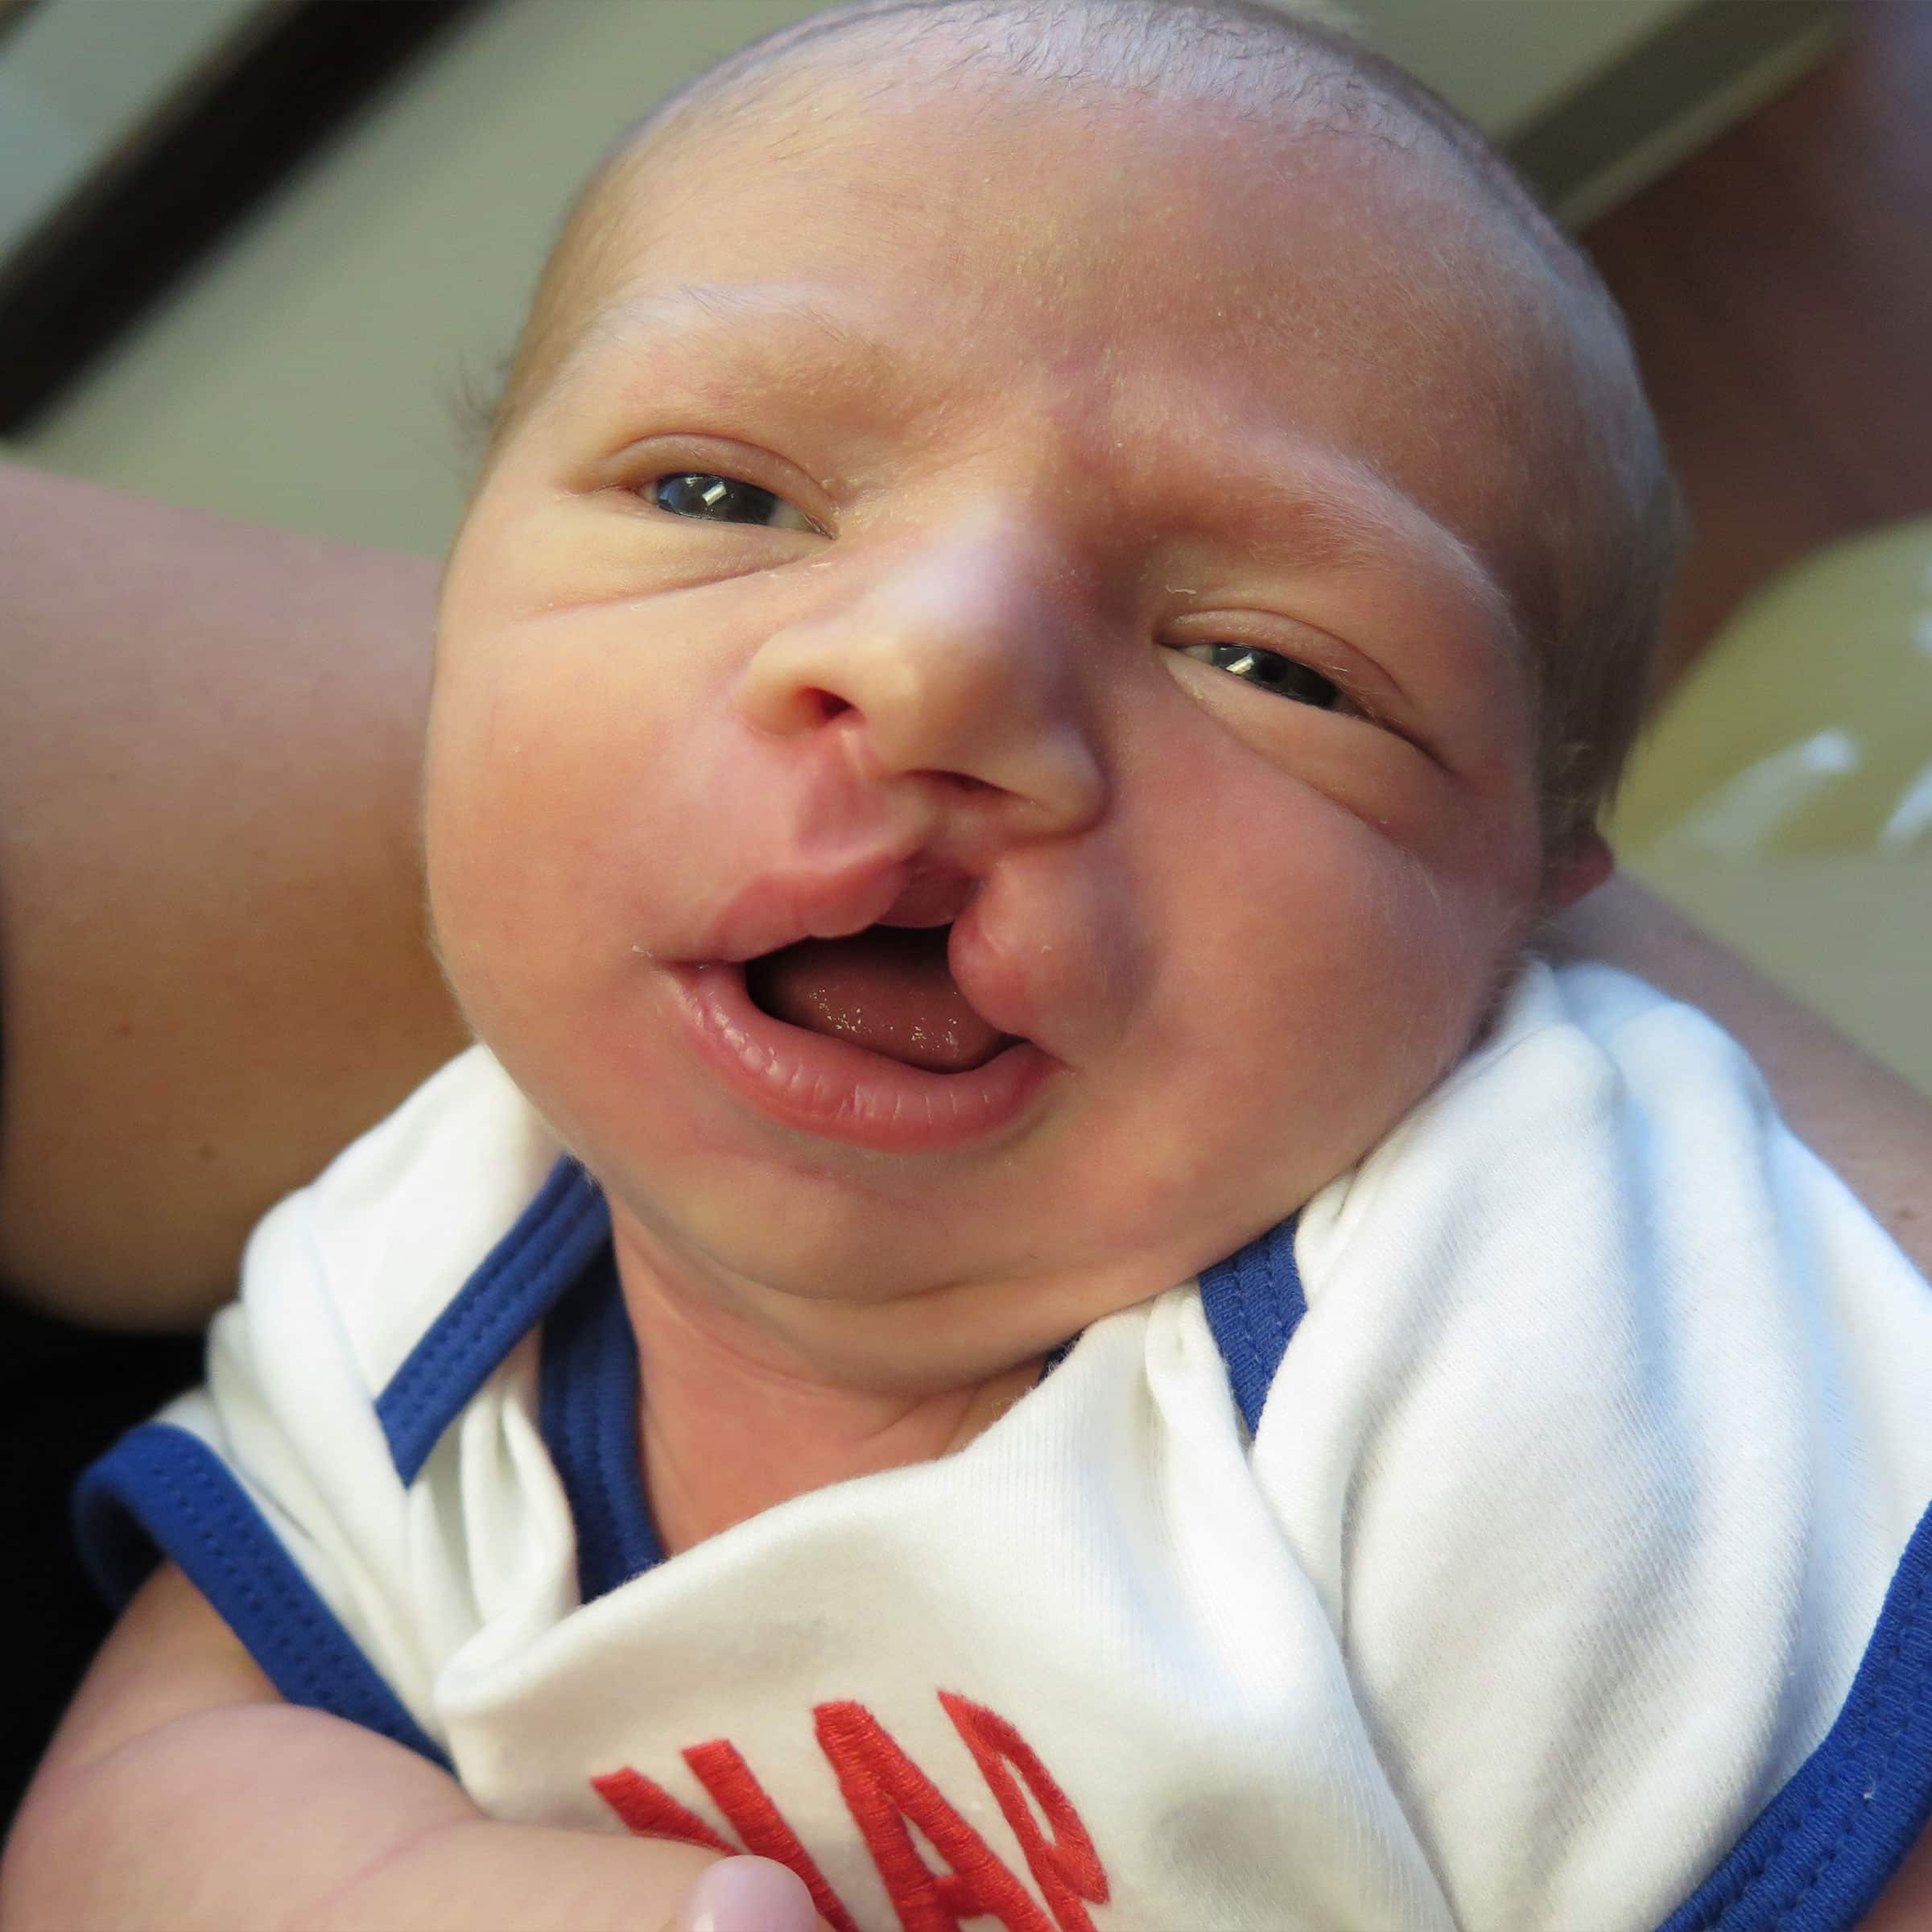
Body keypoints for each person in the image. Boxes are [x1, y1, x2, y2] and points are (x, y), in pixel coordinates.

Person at [5, 2, 1931, 1927]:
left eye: (1271, 662)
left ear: (1534, 893)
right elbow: (145, 1796)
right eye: (719, 495)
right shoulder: (423, 1267)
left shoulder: (1528, 1342)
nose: (940, 668)